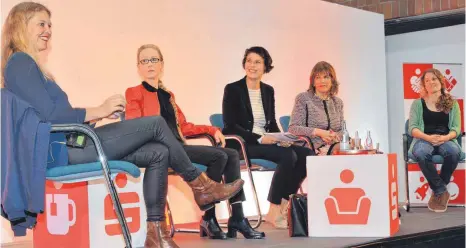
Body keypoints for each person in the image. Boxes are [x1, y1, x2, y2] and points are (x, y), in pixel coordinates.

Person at [1, 3, 243, 248]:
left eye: (49, 25)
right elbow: (53, 116)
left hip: (70, 144)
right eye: (41, 24)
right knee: (157, 124)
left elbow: (53, 115)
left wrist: (96, 114)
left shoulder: (26, 65)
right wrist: (101, 109)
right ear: (21, 25)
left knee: (159, 152)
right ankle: (201, 185)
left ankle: (155, 234)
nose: (48, 29)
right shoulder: (21, 63)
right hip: (64, 149)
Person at [125, 44, 264, 240]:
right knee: (218, 157)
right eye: (144, 61)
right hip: (160, 151)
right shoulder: (134, 92)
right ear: (138, 67)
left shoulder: (168, 96)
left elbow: (184, 126)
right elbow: (134, 125)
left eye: (154, 59)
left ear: (162, 65)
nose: (150, 64)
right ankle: (209, 217)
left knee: (230, 154)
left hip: (179, 148)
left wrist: (212, 129)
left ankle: (236, 217)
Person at [222, 46, 314, 229]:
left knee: (306, 154)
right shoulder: (232, 89)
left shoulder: (268, 90)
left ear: (265, 67)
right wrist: (259, 138)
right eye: (249, 61)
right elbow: (230, 125)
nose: (252, 65)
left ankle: (284, 203)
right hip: (242, 144)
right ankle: (273, 209)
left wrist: (281, 138)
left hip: (266, 142)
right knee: (288, 156)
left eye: (257, 62)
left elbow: (270, 123)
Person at [408, 68, 462, 213]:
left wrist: (445, 138)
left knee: (454, 151)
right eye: (427, 81)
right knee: (420, 152)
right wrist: (427, 137)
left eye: (434, 79)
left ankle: (438, 192)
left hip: (446, 139)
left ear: (440, 81)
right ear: (424, 86)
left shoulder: (453, 103)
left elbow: (456, 128)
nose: (431, 82)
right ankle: (441, 190)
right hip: (424, 139)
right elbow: (412, 128)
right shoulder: (417, 104)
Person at [288, 61, 344, 155]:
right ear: (313, 82)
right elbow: (293, 128)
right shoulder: (303, 98)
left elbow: (342, 130)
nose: (322, 81)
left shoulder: (338, 102)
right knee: (344, 149)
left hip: (333, 144)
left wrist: (333, 136)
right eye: (318, 77)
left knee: (355, 147)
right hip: (311, 148)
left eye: (326, 77)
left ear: (332, 80)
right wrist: (319, 132)